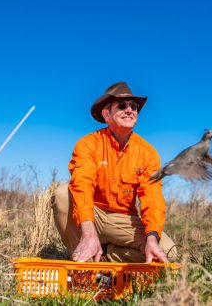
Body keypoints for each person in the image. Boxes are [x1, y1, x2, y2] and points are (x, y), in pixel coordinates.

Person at [52, 82, 177, 263]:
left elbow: (152, 198)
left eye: (134, 107)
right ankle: (81, 260)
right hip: (92, 215)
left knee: (169, 252)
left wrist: (151, 238)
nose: (130, 110)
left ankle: (106, 255)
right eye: (122, 105)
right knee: (62, 193)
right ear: (106, 114)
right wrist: (88, 231)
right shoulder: (88, 144)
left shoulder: (148, 153)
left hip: (124, 219)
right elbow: (82, 184)